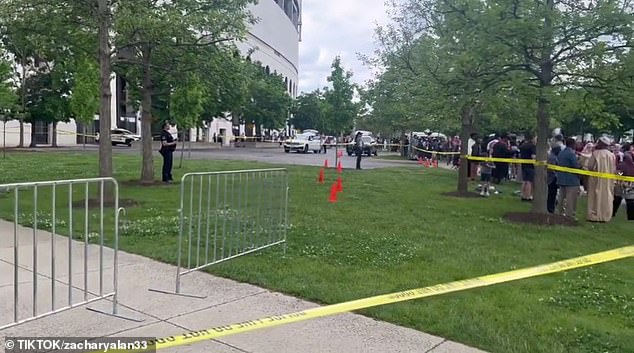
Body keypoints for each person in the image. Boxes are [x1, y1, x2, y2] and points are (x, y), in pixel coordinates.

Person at [586, 137, 616, 222]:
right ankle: (605, 215)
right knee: (606, 196)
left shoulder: (595, 154)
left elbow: (590, 166)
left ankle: (594, 215)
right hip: (608, 180)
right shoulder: (611, 155)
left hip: (596, 180)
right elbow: (614, 168)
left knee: (595, 196)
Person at [556, 137, 581, 218]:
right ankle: (569, 214)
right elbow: (575, 166)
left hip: (561, 178)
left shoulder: (561, 153)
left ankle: (559, 212)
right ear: (573, 144)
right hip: (571, 179)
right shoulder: (571, 154)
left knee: (561, 197)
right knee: (571, 198)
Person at [613, 151, 634, 220]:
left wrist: (621, 175)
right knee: (630, 201)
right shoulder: (633, 165)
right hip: (631, 185)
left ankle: (613, 213)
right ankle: (631, 217)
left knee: (617, 199)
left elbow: (618, 174)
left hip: (620, 184)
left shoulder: (621, 165)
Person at [519, 134, 536, 201]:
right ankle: (528, 196)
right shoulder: (532, 146)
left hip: (523, 165)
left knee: (524, 181)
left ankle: (523, 195)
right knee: (529, 181)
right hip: (530, 166)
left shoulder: (522, 146)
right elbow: (533, 157)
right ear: (532, 139)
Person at [547, 144, 562, 213]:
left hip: (553, 177)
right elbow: (551, 169)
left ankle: (551, 207)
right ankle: (550, 208)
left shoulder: (554, 156)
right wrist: (555, 175)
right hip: (552, 178)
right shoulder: (552, 157)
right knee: (552, 194)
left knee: (553, 194)